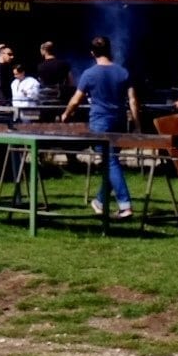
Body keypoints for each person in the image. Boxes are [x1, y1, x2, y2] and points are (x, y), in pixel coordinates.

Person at [61, 36, 139, 219]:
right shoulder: (123, 72)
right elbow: (133, 100)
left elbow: (76, 100)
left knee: (110, 162)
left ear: (92, 53)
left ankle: (125, 205)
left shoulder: (89, 74)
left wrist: (66, 114)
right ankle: (100, 201)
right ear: (110, 50)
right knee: (111, 163)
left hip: (100, 123)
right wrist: (137, 125)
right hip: (119, 121)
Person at [34, 41, 73, 109]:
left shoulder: (40, 66)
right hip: (61, 99)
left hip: (46, 99)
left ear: (44, 51)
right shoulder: (64, 64)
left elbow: (40, 82)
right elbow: (71, 81)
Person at [0, 44, 18, 110]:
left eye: (12, 54)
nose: (12, 57)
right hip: (1, 103)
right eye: (9, 54)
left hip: (8, 101)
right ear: (2, 54)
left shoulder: (7, 66)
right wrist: (5, 102)